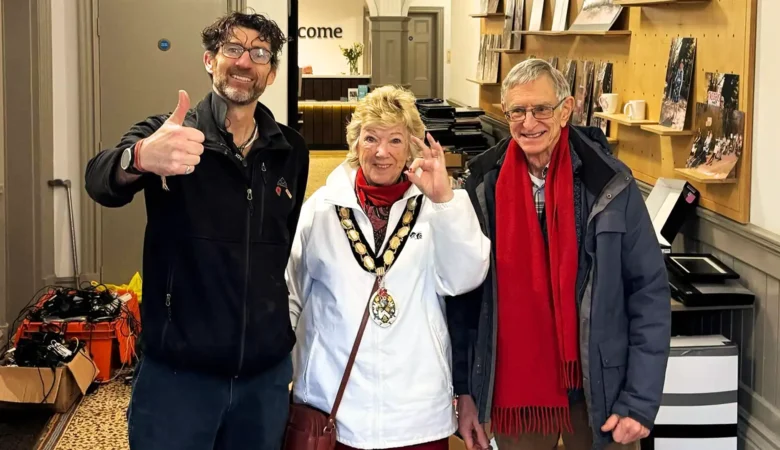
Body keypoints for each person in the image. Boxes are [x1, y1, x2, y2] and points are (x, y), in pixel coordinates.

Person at [84, 12, 309, 450]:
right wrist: (141, 157)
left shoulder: (290, 150)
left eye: (259, 52)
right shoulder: (167, 135)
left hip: (262, 380)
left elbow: (284, 241)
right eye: (232, 49)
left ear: (272, 72)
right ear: (210, 60)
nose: (245, 61)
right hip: (178, 377)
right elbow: (99, 180)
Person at [450, 59, 672, 450]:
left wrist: (639, 401)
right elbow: (467, 302)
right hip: (517, 395)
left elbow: (649, 295)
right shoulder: (483, 185)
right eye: (517, 111)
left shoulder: (611, 184)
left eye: (541, 109)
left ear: (566, 109)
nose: (529, 122)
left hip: (600, 393)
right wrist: (467, 393)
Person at [286, 85, 491, 450]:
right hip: (333, 404)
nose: (381, 152)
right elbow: (292, 295)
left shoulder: (436, 207)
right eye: (370, 138)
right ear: (355, 143)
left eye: (395, 140)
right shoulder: (322, 208)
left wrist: (444, 201)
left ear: (412, 146)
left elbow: (464, 279)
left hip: (415, 411)